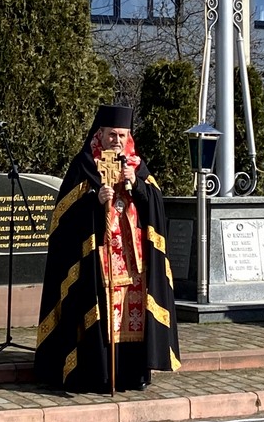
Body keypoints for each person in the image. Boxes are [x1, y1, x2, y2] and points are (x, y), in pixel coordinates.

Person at [34, 104, 180, 393]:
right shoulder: (84, 164)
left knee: (132, 316)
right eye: (111, 134)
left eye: (122, 135)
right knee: (99, 317)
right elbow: (63, 217)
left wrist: (136, 184)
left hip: (134, 261)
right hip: (98, 258)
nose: (117, 140)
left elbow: (156, 207)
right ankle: (97, 374)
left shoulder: (137, 166)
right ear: (99, 134)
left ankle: (132, 374)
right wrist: (94, 200)